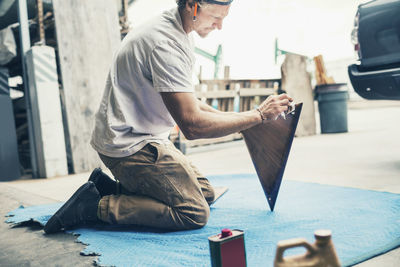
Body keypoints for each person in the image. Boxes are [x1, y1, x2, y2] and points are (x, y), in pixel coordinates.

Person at [44, 0, 293, 234]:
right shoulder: (165, 44)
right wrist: (257, 115)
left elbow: (191, 103)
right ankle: (93, 206)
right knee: (194, 212)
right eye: (216, 17)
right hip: (129, 146)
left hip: (143, 137)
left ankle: (108, 188)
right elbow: (192, 125)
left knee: (205, 192)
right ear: (192, 6)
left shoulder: (177, 30)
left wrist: (247, 119)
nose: (219, 25)